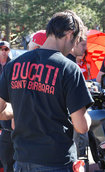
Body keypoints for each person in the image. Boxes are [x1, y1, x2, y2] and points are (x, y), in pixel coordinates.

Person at [0, 10, 94, 172]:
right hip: (56, 161)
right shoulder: (69, 69)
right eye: (76, 40)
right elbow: (81, 126)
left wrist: (21, 108)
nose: (73, 47)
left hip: (22, 160)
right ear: (69, 34)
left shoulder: (13, 65)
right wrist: (89, 116)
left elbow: (1, 111)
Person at [0, 41, 14, 172]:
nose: (3, 51)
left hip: (10, 105)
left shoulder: (14, 65)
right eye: (1, 49)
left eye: (6, 49)